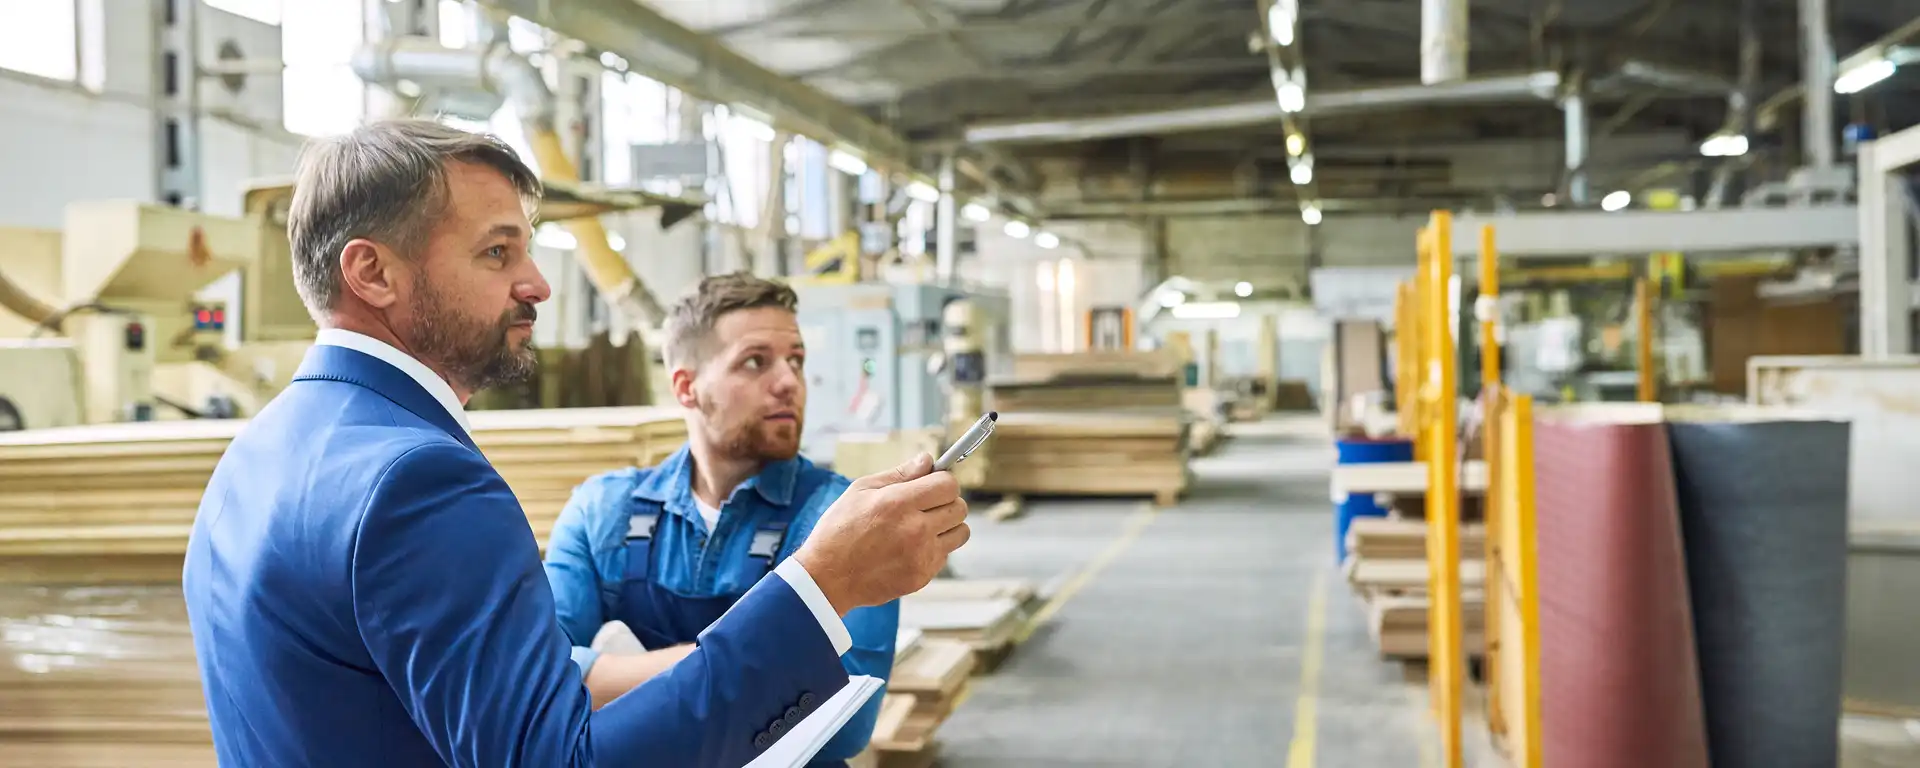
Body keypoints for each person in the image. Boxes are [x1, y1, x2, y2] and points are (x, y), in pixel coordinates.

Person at [180, 119, 971, 768]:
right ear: (373, 273)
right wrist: (821, 584)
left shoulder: (254, 456)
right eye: (497, 252)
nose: (537, 283)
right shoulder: (420, 481)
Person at [543, 273, 893, 766]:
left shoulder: (844, 518)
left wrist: (619, 678)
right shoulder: (602, 511)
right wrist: (766, 667)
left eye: (795, 360)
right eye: (755, 362)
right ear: (686, 388)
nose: (789, 382)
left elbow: (843, 722)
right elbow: (543, 681)